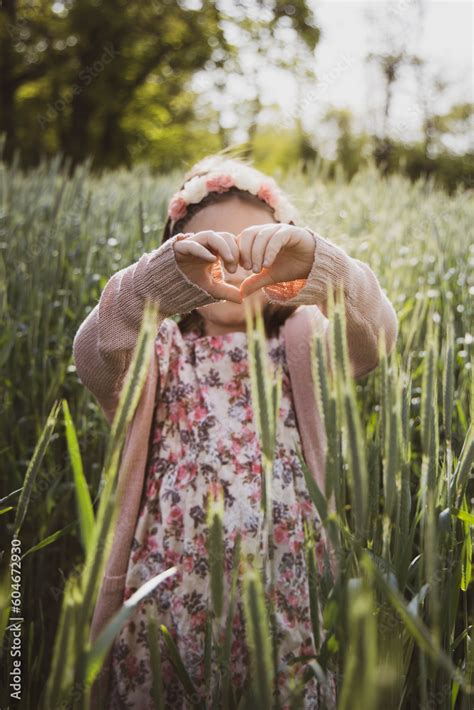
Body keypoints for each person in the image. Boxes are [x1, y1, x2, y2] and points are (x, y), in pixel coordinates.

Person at [72, 153, 398, 709]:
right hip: (166, 602)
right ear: (177, 264)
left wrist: (323, 265)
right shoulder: (158, 352)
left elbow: (375, 338)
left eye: (253, 250)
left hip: (284, 598)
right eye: (211, 252)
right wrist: (153, 287)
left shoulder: (302, 344)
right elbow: (94, 354)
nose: (233, 269)